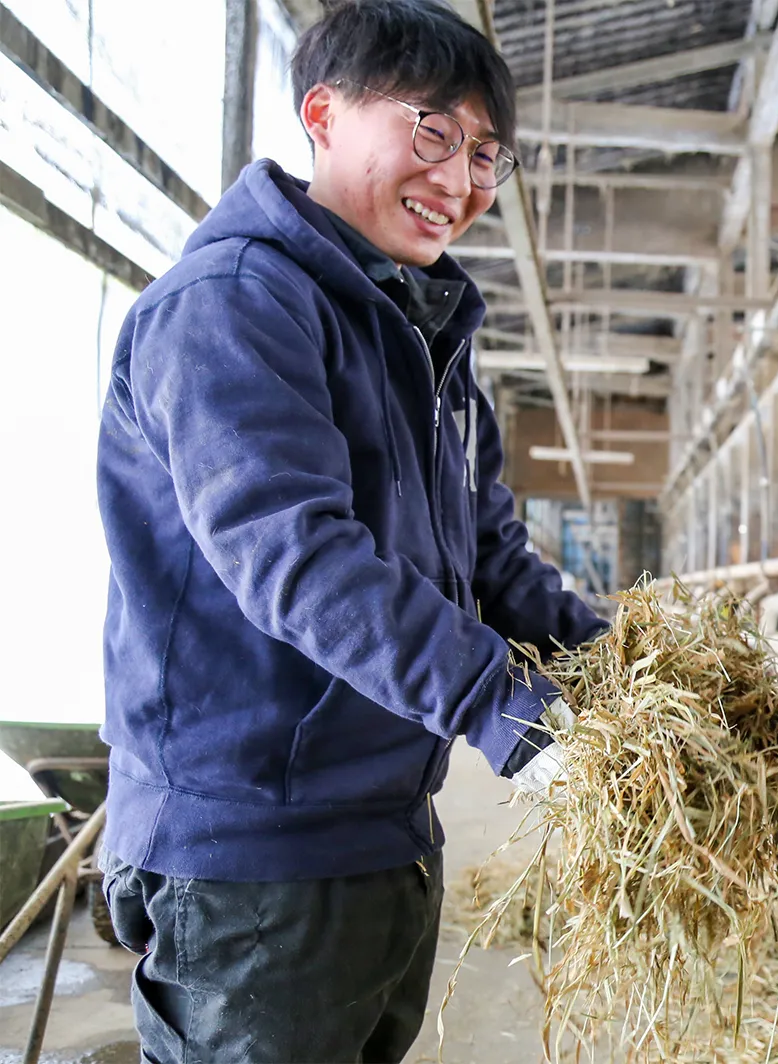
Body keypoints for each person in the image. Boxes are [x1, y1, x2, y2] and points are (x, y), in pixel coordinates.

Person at [94, 2, 603, 1060]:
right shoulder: (235, 304)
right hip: (249, 854)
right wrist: (507, 710)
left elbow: (488, 553)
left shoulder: (423, 333)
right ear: (321, 113)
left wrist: (621, 671)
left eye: (483, 154)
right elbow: (294, 554)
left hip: (382, 830)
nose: (460, 181)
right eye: (431, 132)